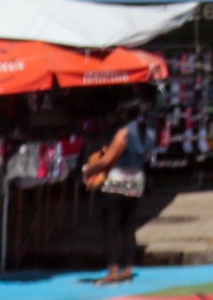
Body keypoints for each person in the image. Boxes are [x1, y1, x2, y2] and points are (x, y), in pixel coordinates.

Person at [85, 99, 153, 285]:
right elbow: (146, 157)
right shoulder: (150, 134)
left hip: (117, 182)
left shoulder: (124, 132)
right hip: (136, 181)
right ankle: (128, 269)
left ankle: (113, 271)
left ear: (125, 115)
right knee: (128, 227)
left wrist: (88, 170)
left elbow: (107, 160)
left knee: (111, 228)